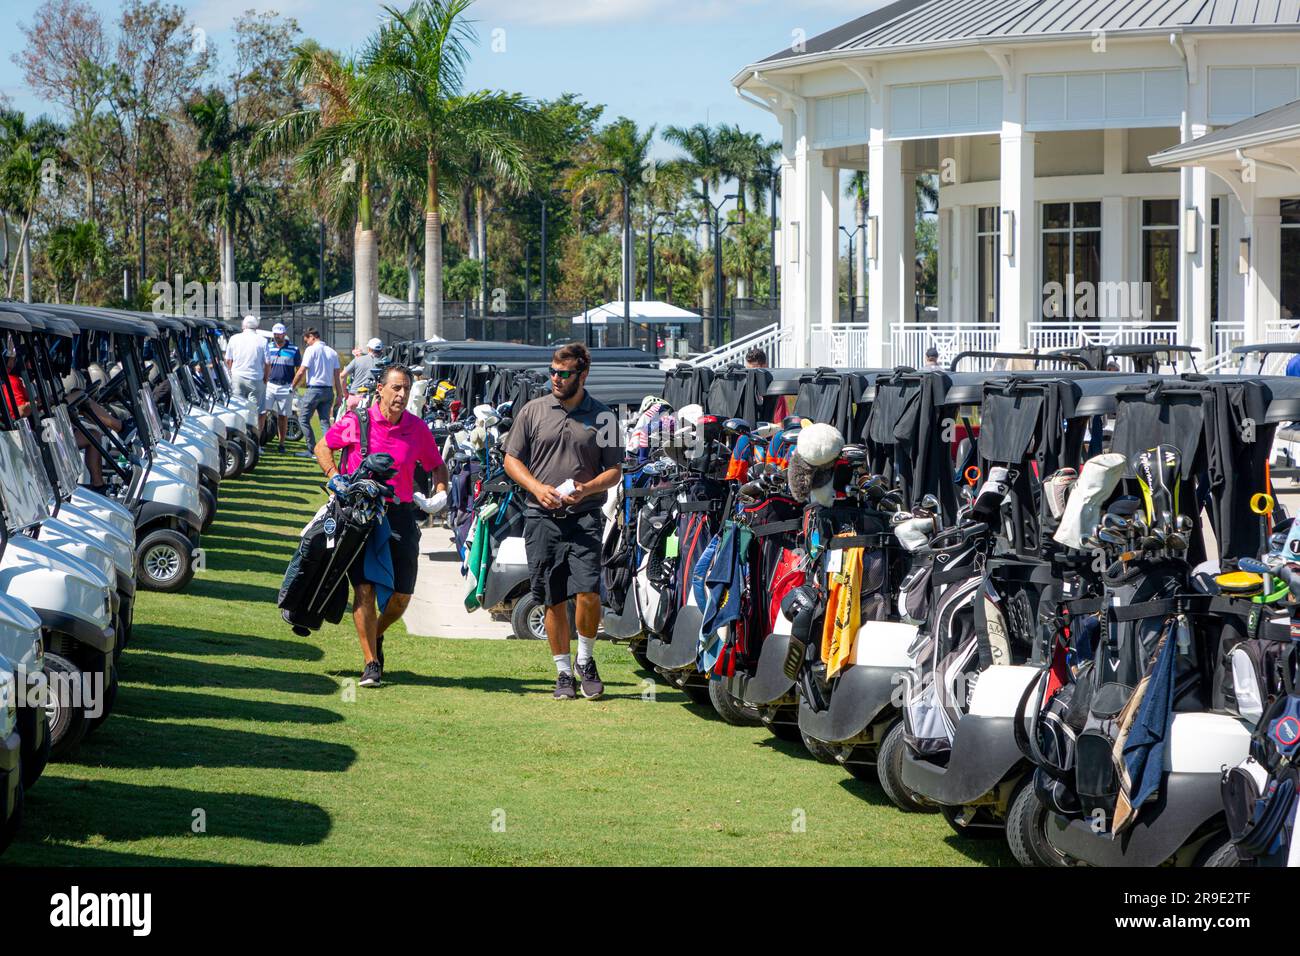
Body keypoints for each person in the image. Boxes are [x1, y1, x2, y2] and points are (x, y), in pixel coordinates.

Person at [315, 364, 449, 688]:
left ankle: (375, 635)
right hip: (361, 515)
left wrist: (440, 495)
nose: (401, 394)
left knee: (401, 595)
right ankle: (371, 664)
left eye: (406, 389)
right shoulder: (356, 421)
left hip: (400, 514)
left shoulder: (417, 429)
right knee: (364, 589)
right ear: (380, 389)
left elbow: (437, 467)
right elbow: (323, 447)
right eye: (396, 388)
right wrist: (335, 478)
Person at [502, 342, 623, 700]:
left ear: (582, 375)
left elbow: (615, 470)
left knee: (588, 592)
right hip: (541, 517)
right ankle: (563, 673)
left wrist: (585, 489)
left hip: (584, 516)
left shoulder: (605, 416)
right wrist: (537, 488)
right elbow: (512, 461)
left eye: (564, 373)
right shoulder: (532, 411)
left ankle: (586, 660)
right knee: (552, 597)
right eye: (552, 372)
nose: (556, 378)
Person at [293, 327, 344, 455]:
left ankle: (312, 449)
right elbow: (337, 376)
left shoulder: (311, 350)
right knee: (325, 422)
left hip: (314, 390)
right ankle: (328, 450)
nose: (307, 343)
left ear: (312, 337)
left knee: (303, 419)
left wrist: (292, 386)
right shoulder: (332, 352)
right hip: (328, 391)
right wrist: (339, 394)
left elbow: (301, 371)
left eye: (307, 340)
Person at [225, 315, 271, 435]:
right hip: (255, 378)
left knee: (237, 409)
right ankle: (254, 439)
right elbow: (267, 363)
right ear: (256, 326)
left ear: (243, 326)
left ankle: (236, 436)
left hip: (237, 377)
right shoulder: (262, 340)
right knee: (254, 412)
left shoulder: (234, 338)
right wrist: (266, 378)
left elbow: (228, 360)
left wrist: (231, 374)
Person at [265, 323, 301, 453]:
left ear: (284, 334)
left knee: (283, 416)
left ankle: (281, 443)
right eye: (275, 334)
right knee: (263, 413)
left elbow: (299, 369)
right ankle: (260, 441)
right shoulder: (268, 347)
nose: (277, 336)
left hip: (286, 386)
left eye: (279, 334)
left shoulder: (294, 349)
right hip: (269, 384)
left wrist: (294, 385)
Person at [745, 346, 789, 422]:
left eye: (754, 371)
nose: (750, 375)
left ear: (765, 366)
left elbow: (779, 425)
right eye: (748, 371)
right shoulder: (744, 391)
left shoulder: (775, 393)